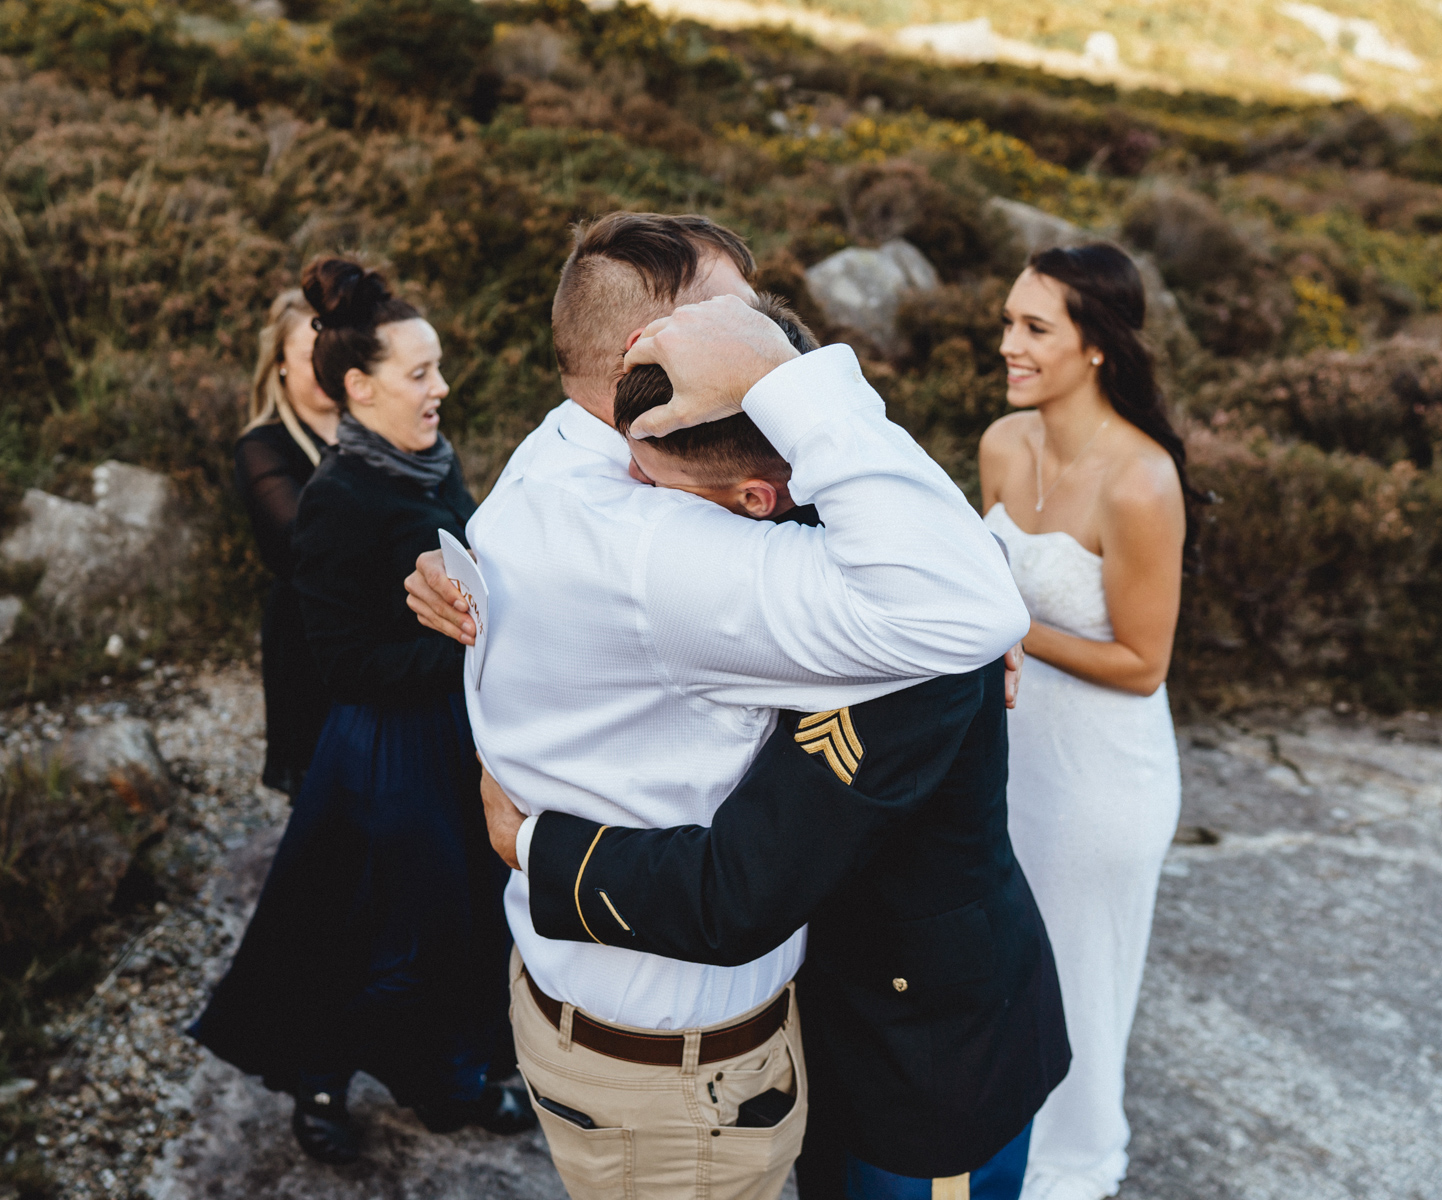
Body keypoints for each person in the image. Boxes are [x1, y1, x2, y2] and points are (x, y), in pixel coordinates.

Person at [404, 213, 1029, 1200]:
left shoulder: (566, 445)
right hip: (679, 1085)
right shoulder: (654, 551)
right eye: (744, 325)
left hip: (613, 1023)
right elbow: (961, 611)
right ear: (643, 355)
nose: (771, 342)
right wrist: (798, 384)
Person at [189, 259, 532, 1167]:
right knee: (361, 924)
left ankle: (449, 1073)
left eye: (438, 368)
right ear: (359, 385)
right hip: (382, 746)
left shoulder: (427, 465)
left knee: (459, 913)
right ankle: (321, 1077)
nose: (441, 387)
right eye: (421, 373)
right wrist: (469, 641)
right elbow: (346, 663)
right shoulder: (340, 497)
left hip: (444, 728)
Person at [978, 243, 1194, 1200]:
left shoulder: (1141, 482)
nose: (1007, 344)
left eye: (1034, 328)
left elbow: (1143, 664)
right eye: (1008, 322)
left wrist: (1005, 624)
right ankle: (993, 1150)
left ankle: (1068, 1171)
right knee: (997, 968)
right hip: (1005, 754)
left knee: (1077, 988)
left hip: (1103, 778)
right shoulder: (1000, 443)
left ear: (1095, 345)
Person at [235, 288, 339, 795]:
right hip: (307, 642)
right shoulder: (262, 446)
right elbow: (302, 544)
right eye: (308, 357)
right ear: (279, 364)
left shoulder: (377, 426)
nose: (326, 369)